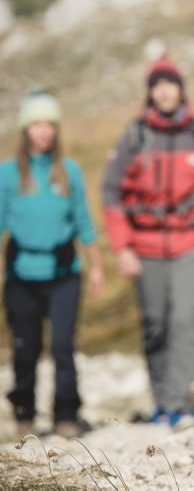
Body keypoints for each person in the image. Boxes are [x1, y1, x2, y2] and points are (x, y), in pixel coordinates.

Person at [102, 54, 194, 427]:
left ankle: (179, 403)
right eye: (158, 85)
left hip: (190, 243)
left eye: (171, 84)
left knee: (183, 319)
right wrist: (122, 247)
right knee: (155, 323)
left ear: (180, 89)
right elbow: (112, 194)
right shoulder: (135, 136)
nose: (164, 91)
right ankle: (161, 400)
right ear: (150, 92)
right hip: (144, 247)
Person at [1, 89, 106, 438]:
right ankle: (25, 413)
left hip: (64, 275)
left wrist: (97, 267)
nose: (43, 132)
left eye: (49, 125)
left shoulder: (70, 172)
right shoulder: (8, 174)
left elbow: (84, 222)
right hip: (21, 275)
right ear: (25, 130)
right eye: (36, 125)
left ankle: (66, 414)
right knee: (25, 347)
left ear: (57, 129)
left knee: (63, 346)